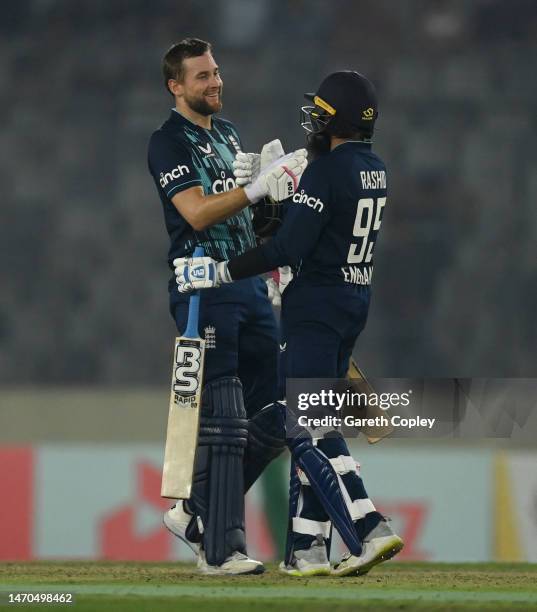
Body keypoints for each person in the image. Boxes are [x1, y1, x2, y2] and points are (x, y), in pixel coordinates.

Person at [174, 71, 404, 576]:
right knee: (297, 415)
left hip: (315, 309)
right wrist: (275, 203)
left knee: (306, 427)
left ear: (337, 118)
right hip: (351, 300)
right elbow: (313, 230)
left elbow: (287, 248)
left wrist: (220, 269)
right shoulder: (374, 168)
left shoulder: (327, 172)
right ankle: (305, 546)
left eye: (321, 112)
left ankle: (367, 527)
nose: (314, 120)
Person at [147, 37, 307, 575]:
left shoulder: (231, 134)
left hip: (249, 284)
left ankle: (195, 508)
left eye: (215, 72)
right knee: (225, 415)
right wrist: (258, 188)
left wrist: (274, 209)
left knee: (278, 411)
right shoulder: (167, 142)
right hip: (202, 287)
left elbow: (246, 222)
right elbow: (195, 213)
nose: (215, 82)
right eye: (201, 76)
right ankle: (222, 550)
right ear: (176, 85)